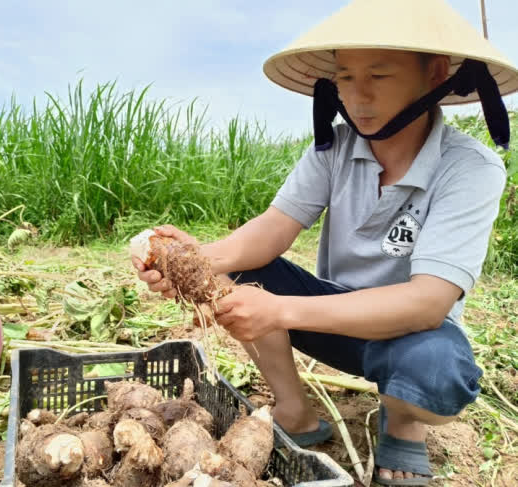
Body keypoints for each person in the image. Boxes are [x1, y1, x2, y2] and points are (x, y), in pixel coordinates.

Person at [132, 0, 517, 484]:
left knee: (439, 374)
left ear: (435, 73)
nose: (358, 96)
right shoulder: (333, 148)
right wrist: (194, 259)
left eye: (378, 76)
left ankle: (402, 423)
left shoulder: (469, 168)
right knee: (240, 269)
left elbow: (427, 303)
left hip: (409, 334)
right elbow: (272, 230)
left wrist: (279, 312)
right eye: (346, 77)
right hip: (335, 319)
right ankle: (294, 411)